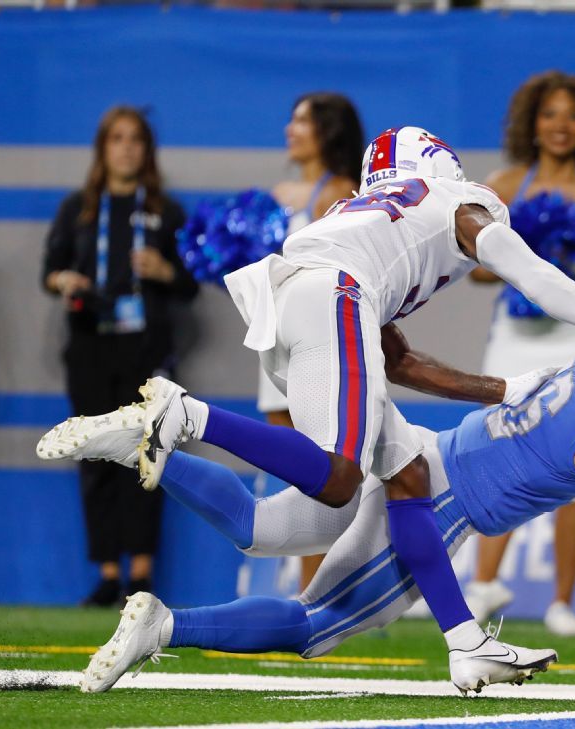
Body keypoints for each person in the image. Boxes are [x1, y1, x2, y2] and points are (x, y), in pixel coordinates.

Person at [48, 126, 575, 693]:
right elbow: (529, 271)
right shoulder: (454, 200)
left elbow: (395, 362)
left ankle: (465, 642)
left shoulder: (368, 220)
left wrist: (501, 390)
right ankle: (185, 418)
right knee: (340, 478)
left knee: (376, 485)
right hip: (334, 293)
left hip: (296, 299)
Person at [37, 305, 575, 694]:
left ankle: (148, 437)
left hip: (419, 450)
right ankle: (166, 624)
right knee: (310, 628)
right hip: (439, 507)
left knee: (260, 524)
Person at [467, 71, 575, 636]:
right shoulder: (504, 185)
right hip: (513, 338)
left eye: (571, 116)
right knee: (497, 456)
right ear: (531, 123)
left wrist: (568, 258)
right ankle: (485, 585)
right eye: (549, 115)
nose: (560, 126)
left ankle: (562, 602)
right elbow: (473, 272)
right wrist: (524, 258)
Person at [41, 106, 199, 606]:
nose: (126, 148)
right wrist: (65, 281)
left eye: (135, 139)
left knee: (146, 454)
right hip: (90, 346)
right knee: (92, 454)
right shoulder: (79, 209)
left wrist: (164, 271)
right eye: (117, 139)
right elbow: (50, 271)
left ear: (147, 150)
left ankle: (142, 573)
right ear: (103, 148)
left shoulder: (167, 212)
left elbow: (192, 284)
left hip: (144, 349)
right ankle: (108, 572)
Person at [259, 93, 362, 591]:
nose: (290, 128)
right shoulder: (277, 192)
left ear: (328, 130)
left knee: (318, 467)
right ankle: (305, 587)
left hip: (319, 345)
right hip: (272, 337)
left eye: (302, 120)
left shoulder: (343, 193)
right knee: (285, 467)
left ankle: (319, 590)